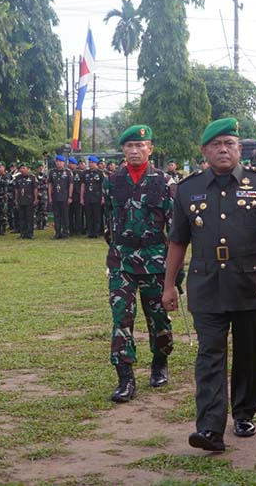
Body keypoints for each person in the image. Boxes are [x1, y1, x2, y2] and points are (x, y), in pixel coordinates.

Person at [162, 117, 256, 452]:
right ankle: (209, 428)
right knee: (209, 356)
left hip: (251, 282)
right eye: (216, 145)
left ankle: (244, 413)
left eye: (230, 144)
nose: (224, 149)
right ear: (204, 151)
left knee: (249, 352)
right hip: (206, 284)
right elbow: (177, 241)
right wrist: (168, 285)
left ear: (239, 148)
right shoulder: (188, 188)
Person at [102, 124, 175, 403]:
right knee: (121, 317)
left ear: (150, 149)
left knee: (158, 317)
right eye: (129, 146)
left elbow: (175, 228)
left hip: (156, 260)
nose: (134, 150)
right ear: (123, 150)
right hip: (122, 260)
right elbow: (107, 219)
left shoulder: (165, 182)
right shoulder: (112, 181)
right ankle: (125, 378)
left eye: (140, 146)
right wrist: (114, 247)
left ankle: (160, 362)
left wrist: (174, 271)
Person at [48, 154, 73, 239]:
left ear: (63, 162)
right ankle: (57, 232)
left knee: (65, 215)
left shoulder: (68, 172)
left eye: (60, 162)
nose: (58, 163)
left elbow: (70, 185)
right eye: (57, 161)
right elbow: (50, 185)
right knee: (57, 215)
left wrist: (70, 196)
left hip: (64, 197)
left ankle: (65, 232)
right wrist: (50, 197)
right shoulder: (52, 172)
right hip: (55, 196)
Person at [14, 162, 37, 239]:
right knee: (22, 217)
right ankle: (22, 233)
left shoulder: (32, 177)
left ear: (28, 169)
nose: (22, 170)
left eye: (24, 168)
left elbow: (35, 189)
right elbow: (16, 190)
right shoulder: (18, 178)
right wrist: (16, 200)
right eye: (21, 168)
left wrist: (35, 199)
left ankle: (30, 233)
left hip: (29, 200)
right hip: (21, 200)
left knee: (29, 217)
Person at [83, 155, 104, 238]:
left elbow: (102, 185)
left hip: (97, 197)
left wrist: (102, 197)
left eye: (92, 162)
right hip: (88, 197)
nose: (91, 164)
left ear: (96, 163)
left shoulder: (100, 173)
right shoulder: (85, 173)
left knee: (97, 215)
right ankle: (90, 232)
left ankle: (96, 232)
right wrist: (82, 197)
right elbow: (83, 185)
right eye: (90, 162)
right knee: (89, 215)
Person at [35, 162, 48, 230]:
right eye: (39, 168)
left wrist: (40, 186)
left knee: (44, 210)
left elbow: (47, 185)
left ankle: (44, 224)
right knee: (37, 210)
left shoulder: (45, 176)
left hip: (43, 194)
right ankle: (38, 224)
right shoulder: (35, 176)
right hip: (37, 194)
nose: (40, 169)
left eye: (41, 168)